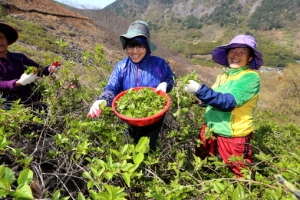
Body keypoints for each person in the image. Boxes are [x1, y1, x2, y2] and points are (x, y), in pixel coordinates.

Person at [87, 20, 175, 151]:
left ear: (147, 47)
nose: (134, 51)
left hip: (155, 119)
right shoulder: (121, 67)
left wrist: (165, 84)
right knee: (131, 148)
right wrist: (102, 100)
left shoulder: (158, 64)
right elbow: (112, 88)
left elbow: (171, 78)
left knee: (151, 148)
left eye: (139, 46)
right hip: (130, 120)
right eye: (130, 46)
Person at [184, 35, 263, 178]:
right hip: (210, 129)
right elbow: (215, 98)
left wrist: (200, 90)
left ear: (250, 58)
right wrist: (197, 100)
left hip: (232, 136)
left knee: (240, 174)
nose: (236, 55)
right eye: (232, 51)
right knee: (204, 165)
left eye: (242, 52)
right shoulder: (223, 76)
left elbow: (227, 102)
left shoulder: (250, 77)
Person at [0, 22, 61, 110]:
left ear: (7, 40)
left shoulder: (19, 57)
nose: (0, 41)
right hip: (14, 107)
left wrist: (50, 68)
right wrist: (18, 83)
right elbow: (1, 84)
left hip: (36, 101)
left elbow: (39, 69)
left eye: (2, 37)